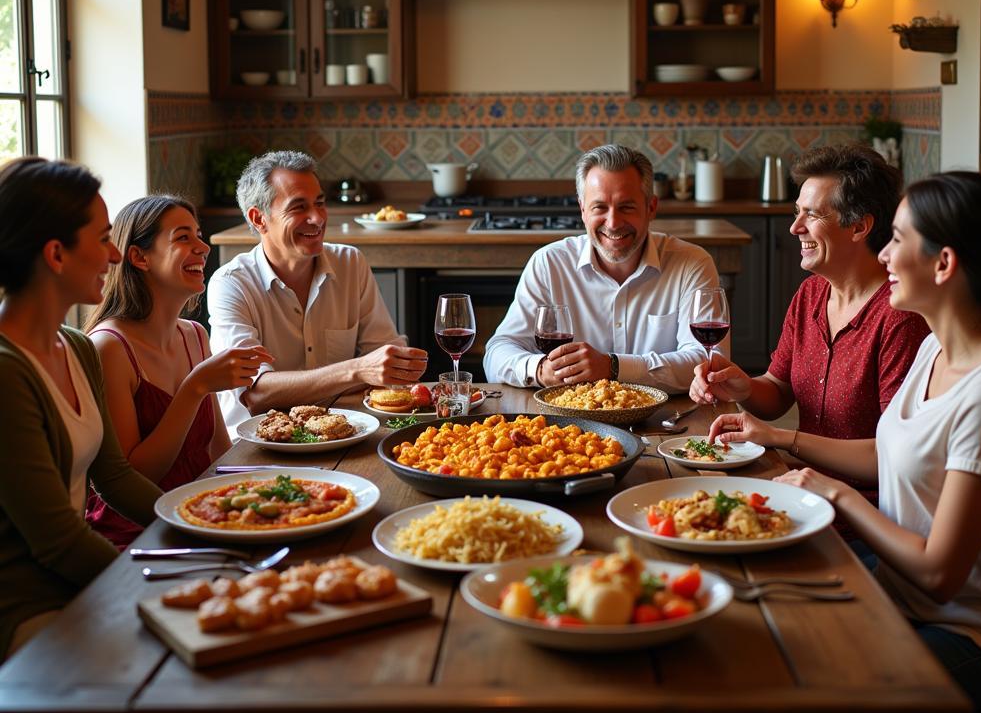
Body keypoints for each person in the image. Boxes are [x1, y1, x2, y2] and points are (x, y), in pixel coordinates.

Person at [709, 171, 981, 713]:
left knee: (799, 692)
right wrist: (781, 440)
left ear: (944, 264)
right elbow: (887, 453)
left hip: (973, 636)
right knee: (741, 617)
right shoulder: (936, 351)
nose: (883, 257)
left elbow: (940, 574)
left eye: (898, 240)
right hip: (902, 594)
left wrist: (836, 494)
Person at [690, 144, 929, 506]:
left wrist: (783, 439)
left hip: (869, 512)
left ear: (860, 226)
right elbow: (777, 390)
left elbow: (893, 456)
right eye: (797, 212)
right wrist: (742, 388)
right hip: (804, 489)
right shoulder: (812, 294)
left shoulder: (900, 317)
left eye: (812, 215)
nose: (795, 227)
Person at [0, 158, 161, 660]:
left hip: (77, 582)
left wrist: (197, 524)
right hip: (24, 606)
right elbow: (56, 540)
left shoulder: (77, 346)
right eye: (102, 239)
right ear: (56, 254)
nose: (114, 255)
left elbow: (113, 475)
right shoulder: (6, 372)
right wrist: (152, 587)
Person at [84, 195, 272, 548]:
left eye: (199, 235)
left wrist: (268, 485)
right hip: (136, 532)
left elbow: (217, 451)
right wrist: (195, 387)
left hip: (203, 512)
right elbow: (132, 478)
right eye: (183, 237)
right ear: (140, 257)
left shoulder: (194, 335)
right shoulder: (108, 347)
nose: (202, 247)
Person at [208, 150, 427, 438]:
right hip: (255, 447)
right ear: (258, 219)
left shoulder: (350, 262)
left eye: (320, 203)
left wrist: (394, 368)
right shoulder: (231, 284)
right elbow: (256, 393)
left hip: (345, 434)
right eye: (298, 207)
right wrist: (357, 370)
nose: (317, 218)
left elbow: (385, 365)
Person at [484, 143, 721, 392]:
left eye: (626, 207)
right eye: (600, 207)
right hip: (570, 425)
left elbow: (709, 362)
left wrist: (613, 367)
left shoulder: (692, 264)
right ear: (583, 210)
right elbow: (496, 355)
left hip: (666, 422)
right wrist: (540, 369)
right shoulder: (549, 263)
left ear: (651, 208)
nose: (613, 223)